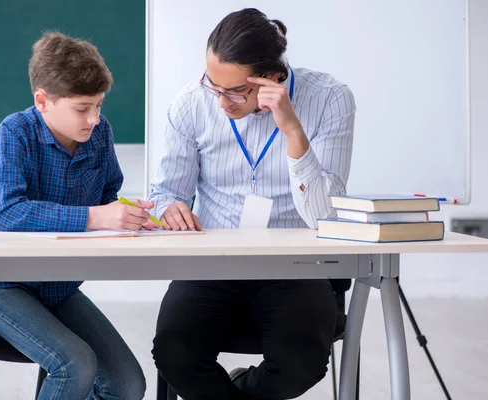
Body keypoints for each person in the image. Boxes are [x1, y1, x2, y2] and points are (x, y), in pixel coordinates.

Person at [149, 7, 356, 400]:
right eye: (214, 85)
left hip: (295, 264)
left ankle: (240, 389)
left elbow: (326, 216)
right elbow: (165, 193)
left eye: (235, 91)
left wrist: (293, 129)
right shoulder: (192, 103)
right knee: (175, 353)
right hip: (212, 259)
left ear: (273, 78)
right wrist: (168, 208)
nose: (222, 101)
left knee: (301, 365)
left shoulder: (330, 99)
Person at [0, 32, 148, 399]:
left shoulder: (100, 134)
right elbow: (9, 214)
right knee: (74, 365)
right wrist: (97, 218)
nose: (95, 118)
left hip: (58, 288)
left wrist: (127, 215)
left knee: (127, 385)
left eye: (99, 105)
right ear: (43, 101)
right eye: (83, 108)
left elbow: (108, 195)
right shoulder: (15, 132)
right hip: (0, 287)